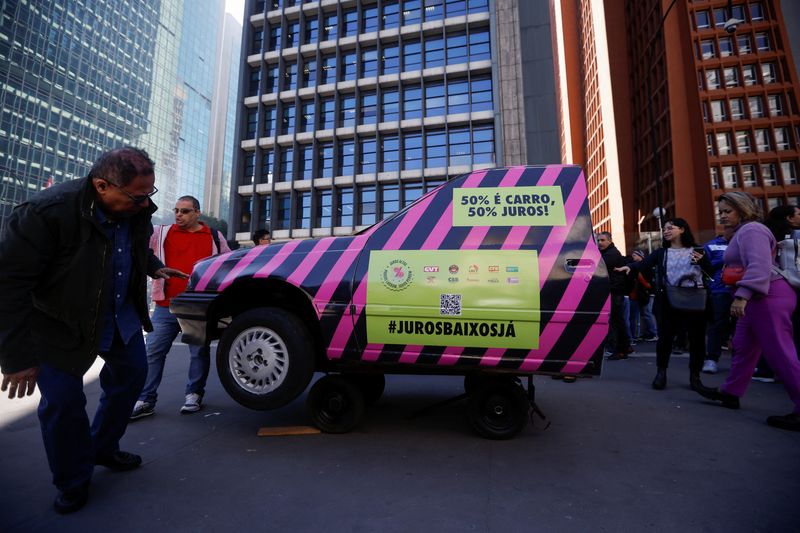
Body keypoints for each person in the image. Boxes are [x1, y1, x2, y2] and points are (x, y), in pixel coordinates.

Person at [0, 147, 187, 514]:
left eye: (150, 194)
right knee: (64, 405)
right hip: (59, 326)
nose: (144, 203)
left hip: (121, 318)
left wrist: (153, 267)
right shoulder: (45, 213)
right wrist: (17, 357)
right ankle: (73, 479)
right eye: (136, 196)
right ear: (102, 186)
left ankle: (103, 448)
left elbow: (131, 248)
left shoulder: (136, 209)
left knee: (131, 380)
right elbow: (8, 285)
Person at [695, 192, 800, 432]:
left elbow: (759, 265)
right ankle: (731, 393)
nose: (722, 215)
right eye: (720, 211)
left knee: (780, 353)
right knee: (742, 346)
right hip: (758, 298)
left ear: (742, 209)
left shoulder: (752, 230)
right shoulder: (745, 230)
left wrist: (742, 296)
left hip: (767, 296)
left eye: (727, 211)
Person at [130, 196, 230, 420]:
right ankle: (146, 399)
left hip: (198, 305)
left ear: (197, 212)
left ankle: (193, 394)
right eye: (176, 210)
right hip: (166, 305)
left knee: (198, 352)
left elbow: (227, 264)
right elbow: (141, 251)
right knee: (153, 352)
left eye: (185, 211)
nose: (178, 215)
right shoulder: (161, 232)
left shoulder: (214, 236)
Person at [616, 218, 711, 390]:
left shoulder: (697, 249)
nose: (666, 231)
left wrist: (703, 262)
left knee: (697, 340)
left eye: (670, 228)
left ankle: (695, 376)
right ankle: (661, 374)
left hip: (694, 299)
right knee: (665, 339)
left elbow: (710, 271)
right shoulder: (661, 252)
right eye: (664, 229)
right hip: (669, 299)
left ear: (682, 229)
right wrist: (630, 267)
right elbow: (643, 264)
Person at [701, 227, 735, 374]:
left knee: (741, 327)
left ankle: (740, 362)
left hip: (743, 290)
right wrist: (723, 260)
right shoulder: (711, 245)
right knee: (718, 324)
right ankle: (711, 359)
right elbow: (702, 267)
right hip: (720, 291)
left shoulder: (746, 242)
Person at [597, 231, 633, 360]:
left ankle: (620, 349)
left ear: (610, 241)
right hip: (614, 291)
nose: (600, 243)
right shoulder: (609, 253)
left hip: (615, 292)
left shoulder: (610, 254)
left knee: (616, 322)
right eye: (598, 240)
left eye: (602, 240)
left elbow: (598, 266)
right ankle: (625, 347)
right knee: (617, 321)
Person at [628, 250, 658, 342]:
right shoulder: (637, 266)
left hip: (648, 293)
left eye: (635, 255)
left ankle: (654, 333)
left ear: (640, 256)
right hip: (642, 294)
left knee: (648, 313)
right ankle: (648, 333)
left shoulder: (646, 267)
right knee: (645, 313)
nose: (633, 257)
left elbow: (649, 283)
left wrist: (640, 278)